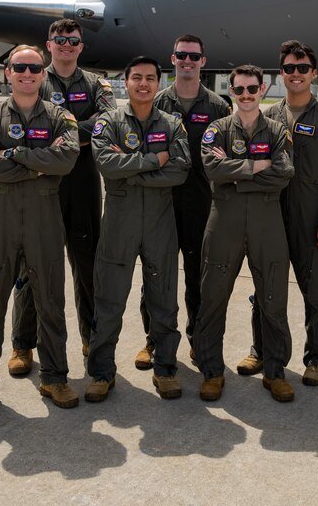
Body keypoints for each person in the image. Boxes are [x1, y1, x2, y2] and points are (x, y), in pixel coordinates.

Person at [0, 45, 81, 418]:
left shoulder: (62, 117)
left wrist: (12, 153)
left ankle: (55, 378)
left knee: (51, 302)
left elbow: (66, 160)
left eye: (34, 67)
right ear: (8, 72)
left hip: (45, 218)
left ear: (43, 74)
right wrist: (39, 162)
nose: (27, 73)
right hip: (0, 217)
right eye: (19, 67)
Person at [8, 19, 115, 377]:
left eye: (73, 40)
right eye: (60, 39)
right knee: (33, 266)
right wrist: (79, 130)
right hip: (44, 183)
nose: (66, 45)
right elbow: (28, 126)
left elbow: (107, 123)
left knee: (88, 267)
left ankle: (90, 338)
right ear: (49, 43)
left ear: (81, 46)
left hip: (83, 183)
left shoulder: (96, 84)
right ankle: (23, 343)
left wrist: (60, 134)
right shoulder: (35, 77)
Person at [238, 40, 318, 386]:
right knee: (265, 288)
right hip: (270, 215)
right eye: (289, 68)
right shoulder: (267, 116)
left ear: (314, 73)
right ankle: (261, 350)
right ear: (281, 74)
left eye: (302, 68)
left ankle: (316, 357)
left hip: (311, 218)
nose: (295, 74)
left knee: (315, 293)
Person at [83, 57, 191, 402]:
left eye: (150, 78)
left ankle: (166, 369)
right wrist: (154, 160)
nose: (143, 84)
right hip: (120, 225)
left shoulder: (172, 124)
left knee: (164, 300)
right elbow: (106, 164)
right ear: (125, 82)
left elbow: (180, 170)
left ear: (159, 84)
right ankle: (101, 373)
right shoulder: (108, 122)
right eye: (137, 78)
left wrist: (130, 170)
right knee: (109, 300)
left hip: (160, 225)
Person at [195, 65, 295, 402]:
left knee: (274, 297)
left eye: (252, 89)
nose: (246, 95)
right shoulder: (218, 129)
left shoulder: (278, 131)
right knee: (213, 296)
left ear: (262, 89)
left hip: (267, 220)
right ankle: (211, 371)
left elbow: (284, 173)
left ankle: (275, 372)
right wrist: (256, 166)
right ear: (232, 91)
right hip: (225, 219)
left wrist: (235, 174)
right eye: (239, 90)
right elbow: (212, 168)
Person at [143, 34, 231, 367]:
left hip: (200, 203)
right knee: (156, 275)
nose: (188, 61)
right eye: (182, 55)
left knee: (197, 277)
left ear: (203, 62)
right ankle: (153, 340)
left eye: (194, 56)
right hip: (161, 202)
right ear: (173, 58)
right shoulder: (156, 102)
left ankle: (197, 338)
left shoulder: (218, 107)